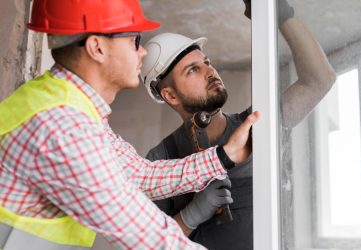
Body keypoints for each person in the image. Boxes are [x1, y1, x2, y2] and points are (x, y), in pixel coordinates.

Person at [0, 0, 260, 249]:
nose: (142, 51)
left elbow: (143, 176)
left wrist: (225, 155)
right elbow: (146, 235)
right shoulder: (63, 126)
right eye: (134, 40)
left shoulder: (72, 107)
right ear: (97, 48)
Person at [141, 0, 336, 249]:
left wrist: (280, 13)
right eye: (193, 70)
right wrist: (191, 216)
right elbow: (147, 244)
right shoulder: (161, 160)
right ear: (170, 95)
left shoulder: (256, 126)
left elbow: (320, 79)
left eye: (207, 62)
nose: (210, 72)